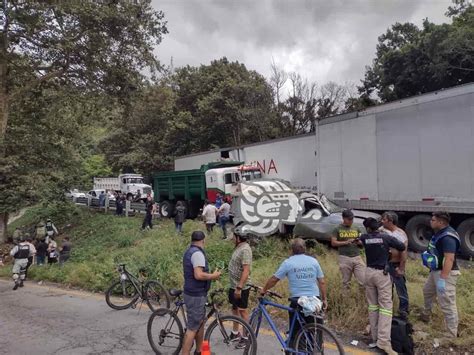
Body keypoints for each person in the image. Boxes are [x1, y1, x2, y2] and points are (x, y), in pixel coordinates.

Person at [261, 238, 327, 348]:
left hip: (298, 301)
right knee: (312, 327)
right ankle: (314, 348)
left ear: (291, 250)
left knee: (296, 332)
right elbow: (322, 282)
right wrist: (324, 299)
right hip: (314, 300)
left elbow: (274, 279)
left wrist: (264, 290)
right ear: (305, 249)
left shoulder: (288, 263)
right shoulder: (313, 261)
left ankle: (296, 348)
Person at [359, 218, 405, 355]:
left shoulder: (364, 237)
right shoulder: (385, 237)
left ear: (368, 228)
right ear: (378, 227)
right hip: (381, 274)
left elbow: (358, 242)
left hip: (368, 273)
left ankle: (375, 338)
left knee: (373, 306)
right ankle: (384, 342)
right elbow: (402, 247)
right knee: (385, 307)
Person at [421, 212, 461, 338]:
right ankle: (426, 316)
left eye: (433, 220)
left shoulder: (448, 237)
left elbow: (449, 259)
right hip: (436, 272)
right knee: (427, 291)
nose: (430, 222)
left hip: (446, 273)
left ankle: (451, 334)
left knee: (447, 303)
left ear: (441, 222)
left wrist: (443, 279)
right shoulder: (439, 233)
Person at [181, 231, 221, 355]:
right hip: (195, 295)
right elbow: (198, 275)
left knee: (200, 323)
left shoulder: (190, 251)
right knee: (192, 328)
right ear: (203, 240)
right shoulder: (197, 254)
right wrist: (213, 276)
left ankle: (199, 351)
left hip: (195, 293)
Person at [380, 211, 409, 319]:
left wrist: (401, 268)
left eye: (384, 219)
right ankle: (388, 310)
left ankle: (403, 311)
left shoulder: (400, 234)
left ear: (391, 221)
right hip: (385, 264)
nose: (382, 221)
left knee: (401, 288)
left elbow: (404, 252)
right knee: (387, 289)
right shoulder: (381, 231)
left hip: (396, 264)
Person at [228, 233, 253, 348]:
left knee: (242, 311)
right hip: (233, 285)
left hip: (240, 287)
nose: (232, 238)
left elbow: (246, 270)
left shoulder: (245, 250)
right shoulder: (239, 247)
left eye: (234, 237)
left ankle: (246, 337)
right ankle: (235, 333)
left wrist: (239, 287)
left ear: (238, 238)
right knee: (235, 309)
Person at [331, 209, 365, 289]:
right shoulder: (337, 229)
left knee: (363, 281)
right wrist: (345, 242)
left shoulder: (356, 228)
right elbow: (333, 243)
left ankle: (363, 298)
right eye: (349, 219)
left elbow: (362, 241)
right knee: (346, 282)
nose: (351, 221)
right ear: (343, 218)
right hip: (344, 257)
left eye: (352, 219)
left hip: (357, 257)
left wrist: (359, 242)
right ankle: (346, 299)